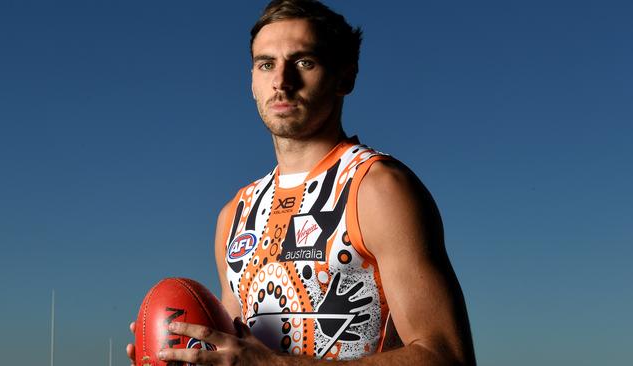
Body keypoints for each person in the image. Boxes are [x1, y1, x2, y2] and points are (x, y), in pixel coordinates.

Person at [128, 0, 476, 364]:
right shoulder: (236, 214)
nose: (281, 81)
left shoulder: (377, 188)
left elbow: (448, 355)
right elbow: (235, 351)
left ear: (345, 77)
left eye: (304, 62)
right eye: (266, 64)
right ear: (251, 81)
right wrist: (178, 350)